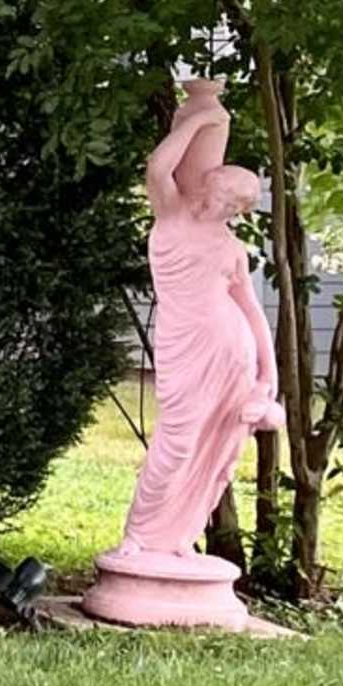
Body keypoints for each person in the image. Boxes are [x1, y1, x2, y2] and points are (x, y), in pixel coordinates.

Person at [89, 80, 286, 628]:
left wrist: (268, 379)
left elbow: (252, 315)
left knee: (214, 446)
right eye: (212, 184)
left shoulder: (231, 250)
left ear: (235, 206)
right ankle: (140, 537)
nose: (209, 193)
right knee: (177, 441)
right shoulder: (171, 215)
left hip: (231, 354)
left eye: (223, 193)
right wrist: (198, 120)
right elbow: (157, 167)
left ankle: (175, 540)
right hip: (185, 346)